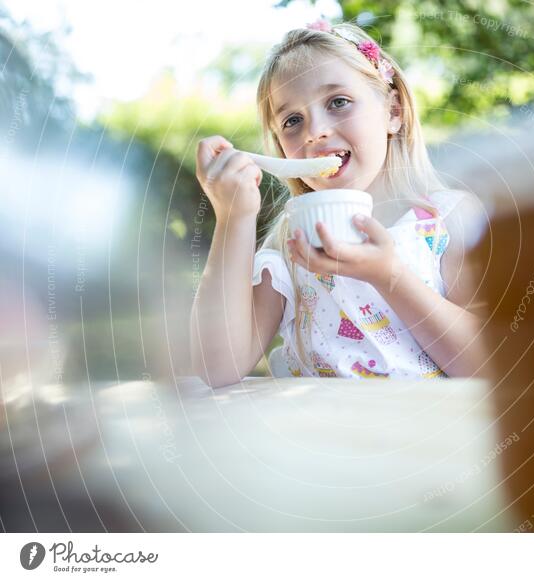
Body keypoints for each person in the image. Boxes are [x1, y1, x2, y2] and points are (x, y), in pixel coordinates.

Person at [190, 20, 486, 386]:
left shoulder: (448, 220)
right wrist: (233, 217)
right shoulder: (289, 243)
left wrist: (389, 276)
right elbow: (215, 368)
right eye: (292, 120)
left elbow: (488, 362)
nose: (314, 132)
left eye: (339, 102)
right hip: (320, 437)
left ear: (393, 111)